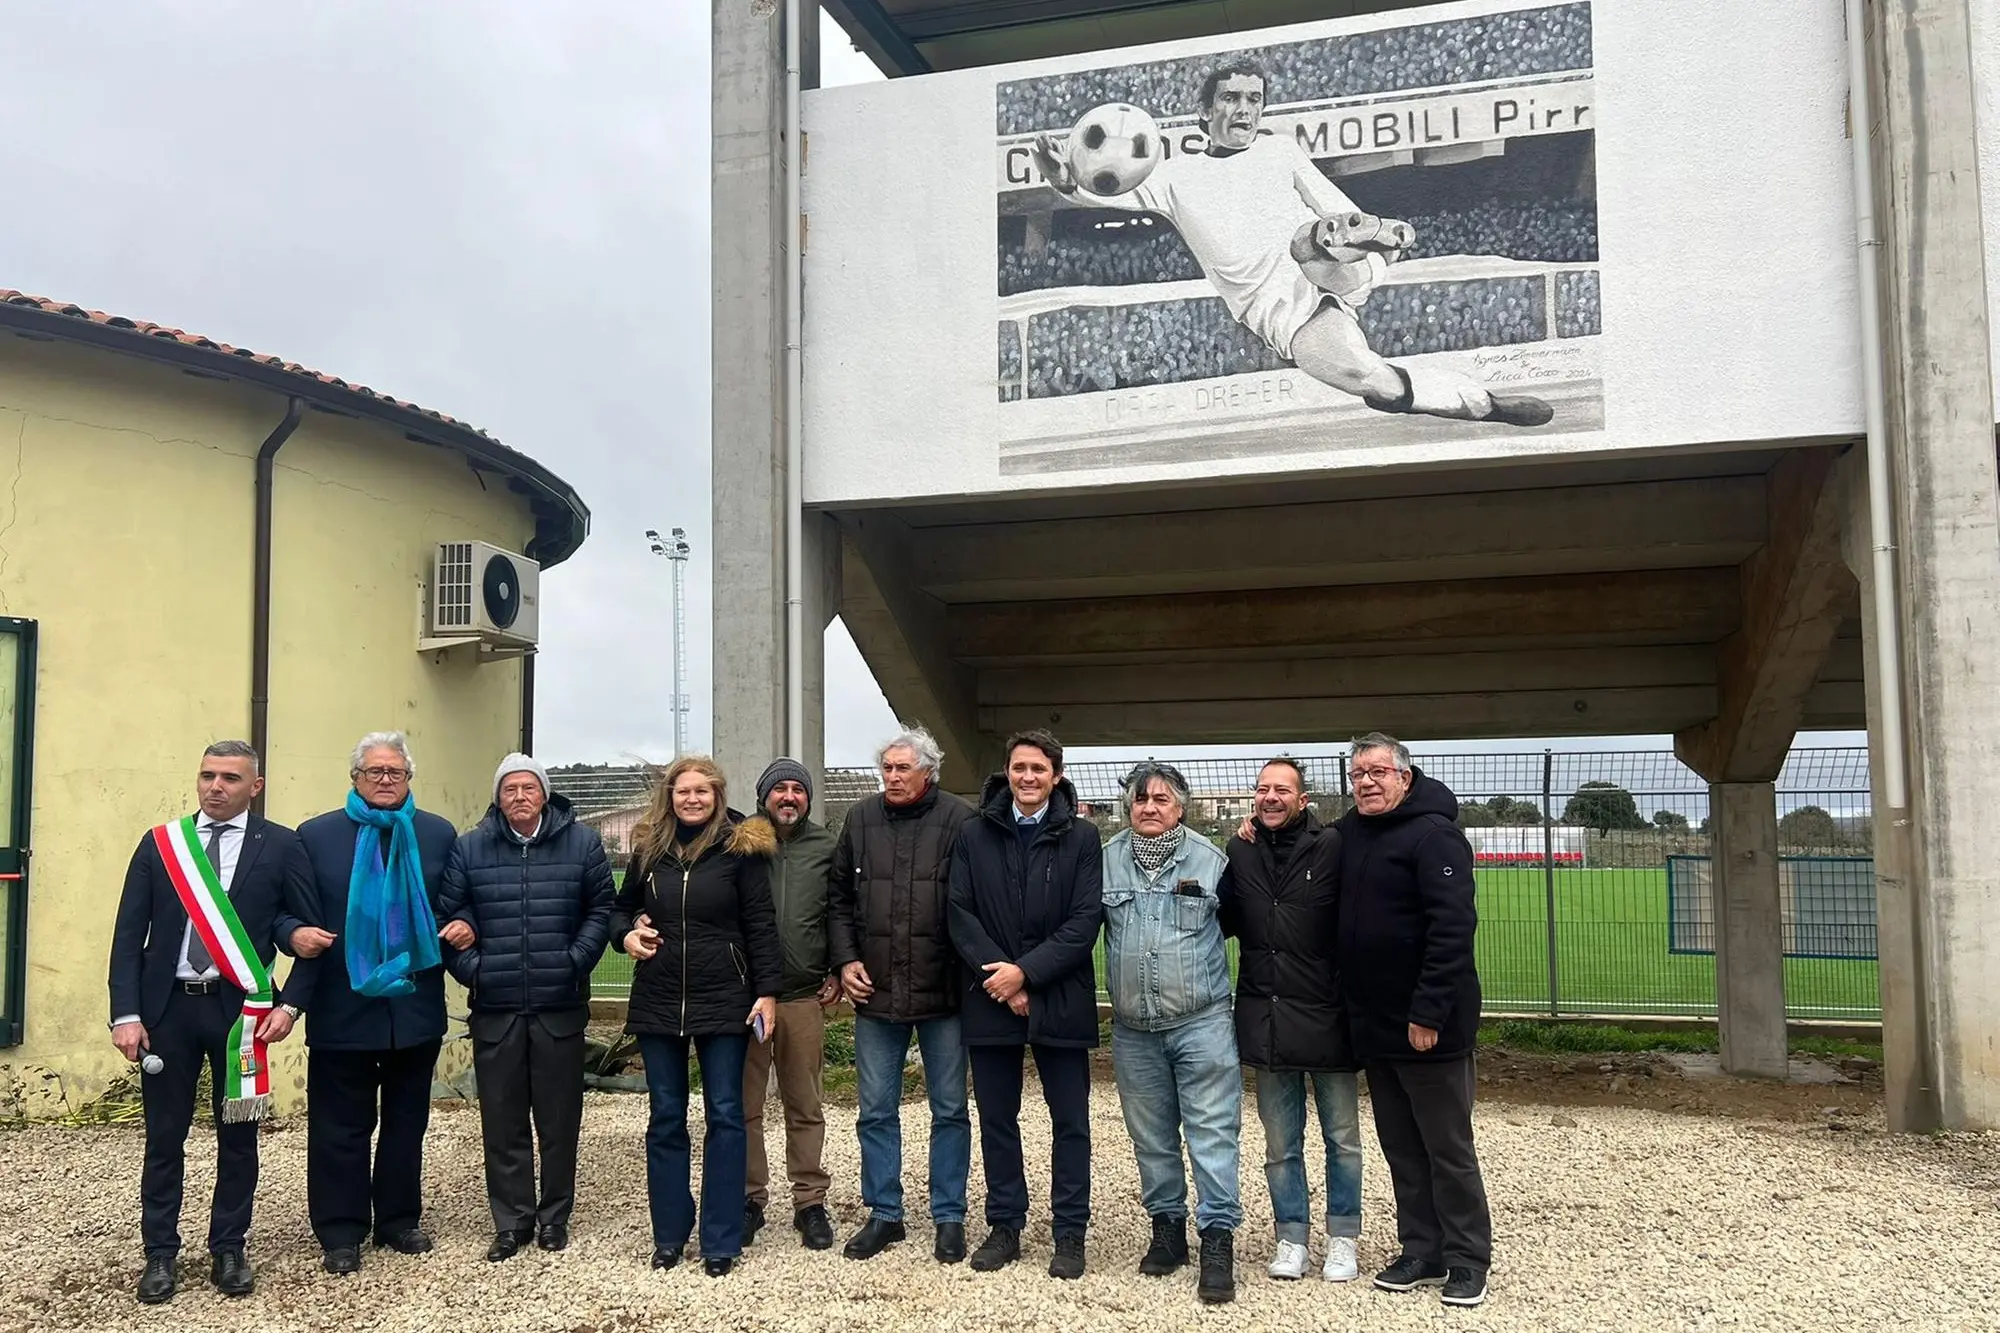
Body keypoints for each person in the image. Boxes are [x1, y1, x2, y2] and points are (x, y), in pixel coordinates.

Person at [1030, 61, 1553, 430]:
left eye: (1254, 99)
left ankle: (1376, 245)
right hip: (1279, 314)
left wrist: (1360, 234)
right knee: (1369, 379)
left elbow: (1334, 206)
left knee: (1308, 243)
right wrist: (1061, 177)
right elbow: (1097, 191)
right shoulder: (1172, 177)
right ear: (1204, 113)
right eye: (1230, 99)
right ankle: (1485, 404)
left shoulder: (1280, 152)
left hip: (1331, 263)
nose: (1244, 109)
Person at [107, 741, 305, 1304]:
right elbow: (128, 935)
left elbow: (302, 929)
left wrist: (287, 1005)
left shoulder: (282, 846)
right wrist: (126, 1014)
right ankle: (160, 1254)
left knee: (238, 1136)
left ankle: (228, 1245)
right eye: (207, 776)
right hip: (166, 1011)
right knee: (164, 1138)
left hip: (239, 1013)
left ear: (255, 787)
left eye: (230, 778)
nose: (216, 787)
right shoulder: (162, 845)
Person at [283, 731, 460, 1276]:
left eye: (396, 773)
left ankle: (398, 1220)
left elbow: (459, 901)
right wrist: (292, 935)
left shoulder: (435, 834)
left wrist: (464, 925)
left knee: (407, 1123)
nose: (385, 781)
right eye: (375, 772)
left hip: (413, 1006)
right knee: (340, 1125)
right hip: (343, 1005)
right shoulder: (316, 836)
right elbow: (286, 912)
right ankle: (340, 1230)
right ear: (355, 778)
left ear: (409, 778)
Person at [437, 753, 615, 1260]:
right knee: (503, 1120)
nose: (519, 796)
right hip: (496, 1010)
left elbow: (599, 909)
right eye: (509, 788)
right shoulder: (470, 848)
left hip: (558, 1007)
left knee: (559, 1122)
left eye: (528, 788)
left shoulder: (582, 843)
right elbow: (451, 915)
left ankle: (555, 1216)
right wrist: (476, 971)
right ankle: (512, 1220)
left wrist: (573, 961)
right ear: (498, 796)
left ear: (544, 794)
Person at [609, 755, 781, 1277]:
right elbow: (619, 911)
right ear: (670, 795)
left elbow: (761, 924)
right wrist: (628, 935)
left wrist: (767, 993)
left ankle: (721, 1238)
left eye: (702, 791)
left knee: (726, 1115)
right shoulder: (649, 849)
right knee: (665, 1118)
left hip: (725, 997)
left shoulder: (740, 847)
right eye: (683, 791)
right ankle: (669, 1235)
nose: (692, 799)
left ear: (717, 795)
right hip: (660, 998)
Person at [1336, 733, 1491, 1309]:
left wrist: (1428, 1011)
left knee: (1447, 1147)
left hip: (1428, 1027)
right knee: (1401, 1146)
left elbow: (1452, 930)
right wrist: (1255, 828)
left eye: (1377, 772)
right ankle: (1421, 1249)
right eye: (1357, 775)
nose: (1366, 783)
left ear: (1405, 776)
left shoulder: (1435, 836)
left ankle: (1468, 1258)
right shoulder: (1351, 832)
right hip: (1375, 1025)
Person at [947, 729, 1103, 1280]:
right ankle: (1005, 1224)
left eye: (1038, 768)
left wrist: (1027, 975)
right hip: (990, 994)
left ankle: (1069, 1232)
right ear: (1007, 773)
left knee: (1071, 1121)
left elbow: (1085, 921)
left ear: (1055, 775)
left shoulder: (1082, 837)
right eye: (1019, 768)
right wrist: (1003, 979)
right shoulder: (974, 833)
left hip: (1059, 994)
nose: (1028, 777)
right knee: (997, 1118)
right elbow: (959, 913)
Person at [827, 725, 976, 1264]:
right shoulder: (860, 819)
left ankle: (949, 1216)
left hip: (944, 994)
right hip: (877, 993)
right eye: (886, 768)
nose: (892, 776)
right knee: (875, 1110)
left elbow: (973, 901)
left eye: (902, 768)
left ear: (928, 772)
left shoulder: (961, 820)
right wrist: (845, 960)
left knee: (951, 1109)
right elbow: (839, 898)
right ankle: (884, 1213)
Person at [1101, 761, 1240, 1305]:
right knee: (1151, 1137)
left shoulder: (1212, 862)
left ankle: (1217, 1239)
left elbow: (1238, 926)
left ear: (1180, 807)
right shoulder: (1106, 862)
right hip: (1134, 1030)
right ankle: (1167, 1231)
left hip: (1201, 1022)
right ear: (1129, 807)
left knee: (1212, 1133)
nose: (1150, 807)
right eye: (1141, 799)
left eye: (1161, 799)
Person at [1221, 757, 1362, 1283]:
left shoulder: (1334, 846)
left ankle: (1344, 1237)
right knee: (1281, 1144)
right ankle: (1292, 1237)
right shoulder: (1240, 849)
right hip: (1267, 1014)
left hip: (1328, 1013)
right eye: (1262, 789)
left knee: (1342, 1137)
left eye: (1283, 789)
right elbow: (1225, 919)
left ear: (1304, 800)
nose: (1271, 797)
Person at [740, 758, 841, 1251]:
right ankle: (747, 1199)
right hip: (747, 1001)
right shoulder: (739, 843)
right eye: (778, 789)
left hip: (802, 997)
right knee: (743, 1106)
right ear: (763, 796)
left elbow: (843, 911)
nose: (788, 797)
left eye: (797, 790)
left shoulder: (827, 847)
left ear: (807, 798)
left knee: (805, 1104)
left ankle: (809, 1202)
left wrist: (840, 967)